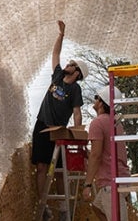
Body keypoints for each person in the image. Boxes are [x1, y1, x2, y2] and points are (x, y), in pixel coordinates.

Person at [31, 20, 89, 220]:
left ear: (77, 73)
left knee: (59, 171)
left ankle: (64, 209)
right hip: (41, 126)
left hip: (58, 132)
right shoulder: (56, 76)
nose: (68, 65)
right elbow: (55, 55)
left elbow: (77, 112)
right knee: (40, 167)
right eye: (70, 63)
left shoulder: (75, 89)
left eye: (72, 65)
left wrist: (77, 132)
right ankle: (44, 207)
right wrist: (61, 34)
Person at [82, 86, 130, 220]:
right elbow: (106, 151)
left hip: (111, 183)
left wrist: (87, 184)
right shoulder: (116, 123)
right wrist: (89, 154)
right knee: (97, 207)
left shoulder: (97, 122)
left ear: (102, 103)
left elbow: (96, 156)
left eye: (96, 98)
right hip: (121, 178)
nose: (94, 100)